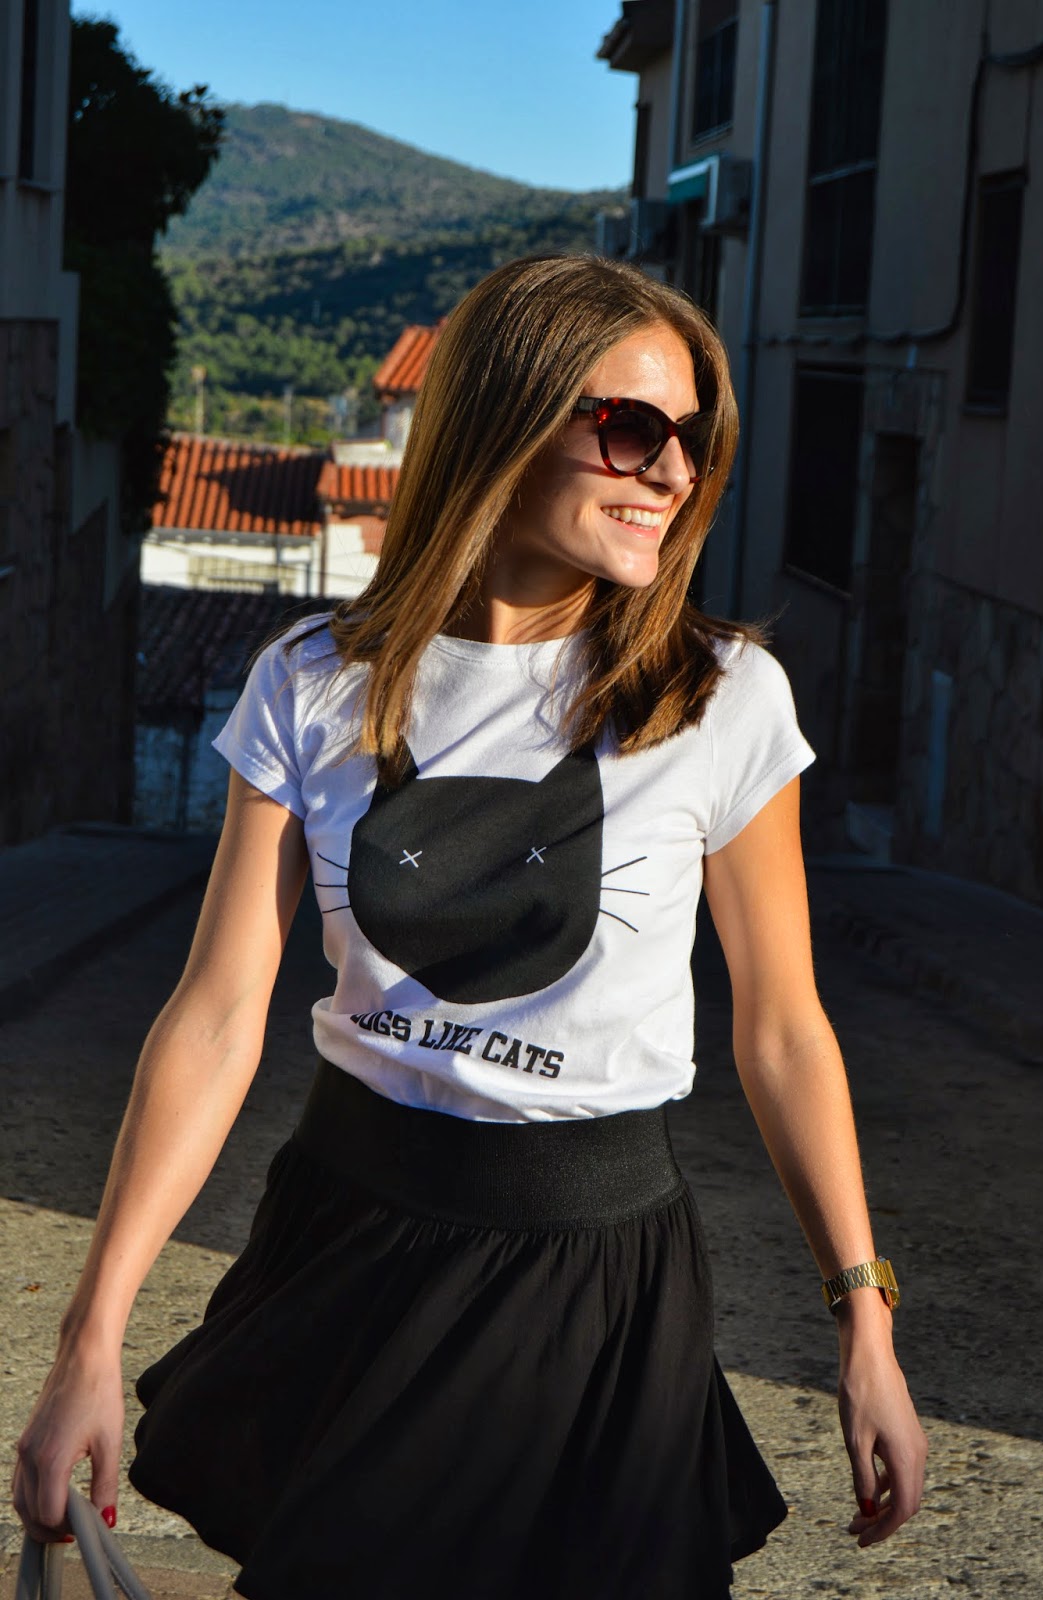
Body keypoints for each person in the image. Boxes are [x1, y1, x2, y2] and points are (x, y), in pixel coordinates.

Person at [13, 254, 926, 1600]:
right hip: (348, 1247)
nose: (675, 473)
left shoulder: (720, 698)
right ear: (507, 417)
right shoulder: (314, 685)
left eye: (697, 438)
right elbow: (214, 1015)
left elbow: (784, 1029)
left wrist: (866, 1322)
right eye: (633, 428)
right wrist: (87, 1340)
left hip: (594, 1284)